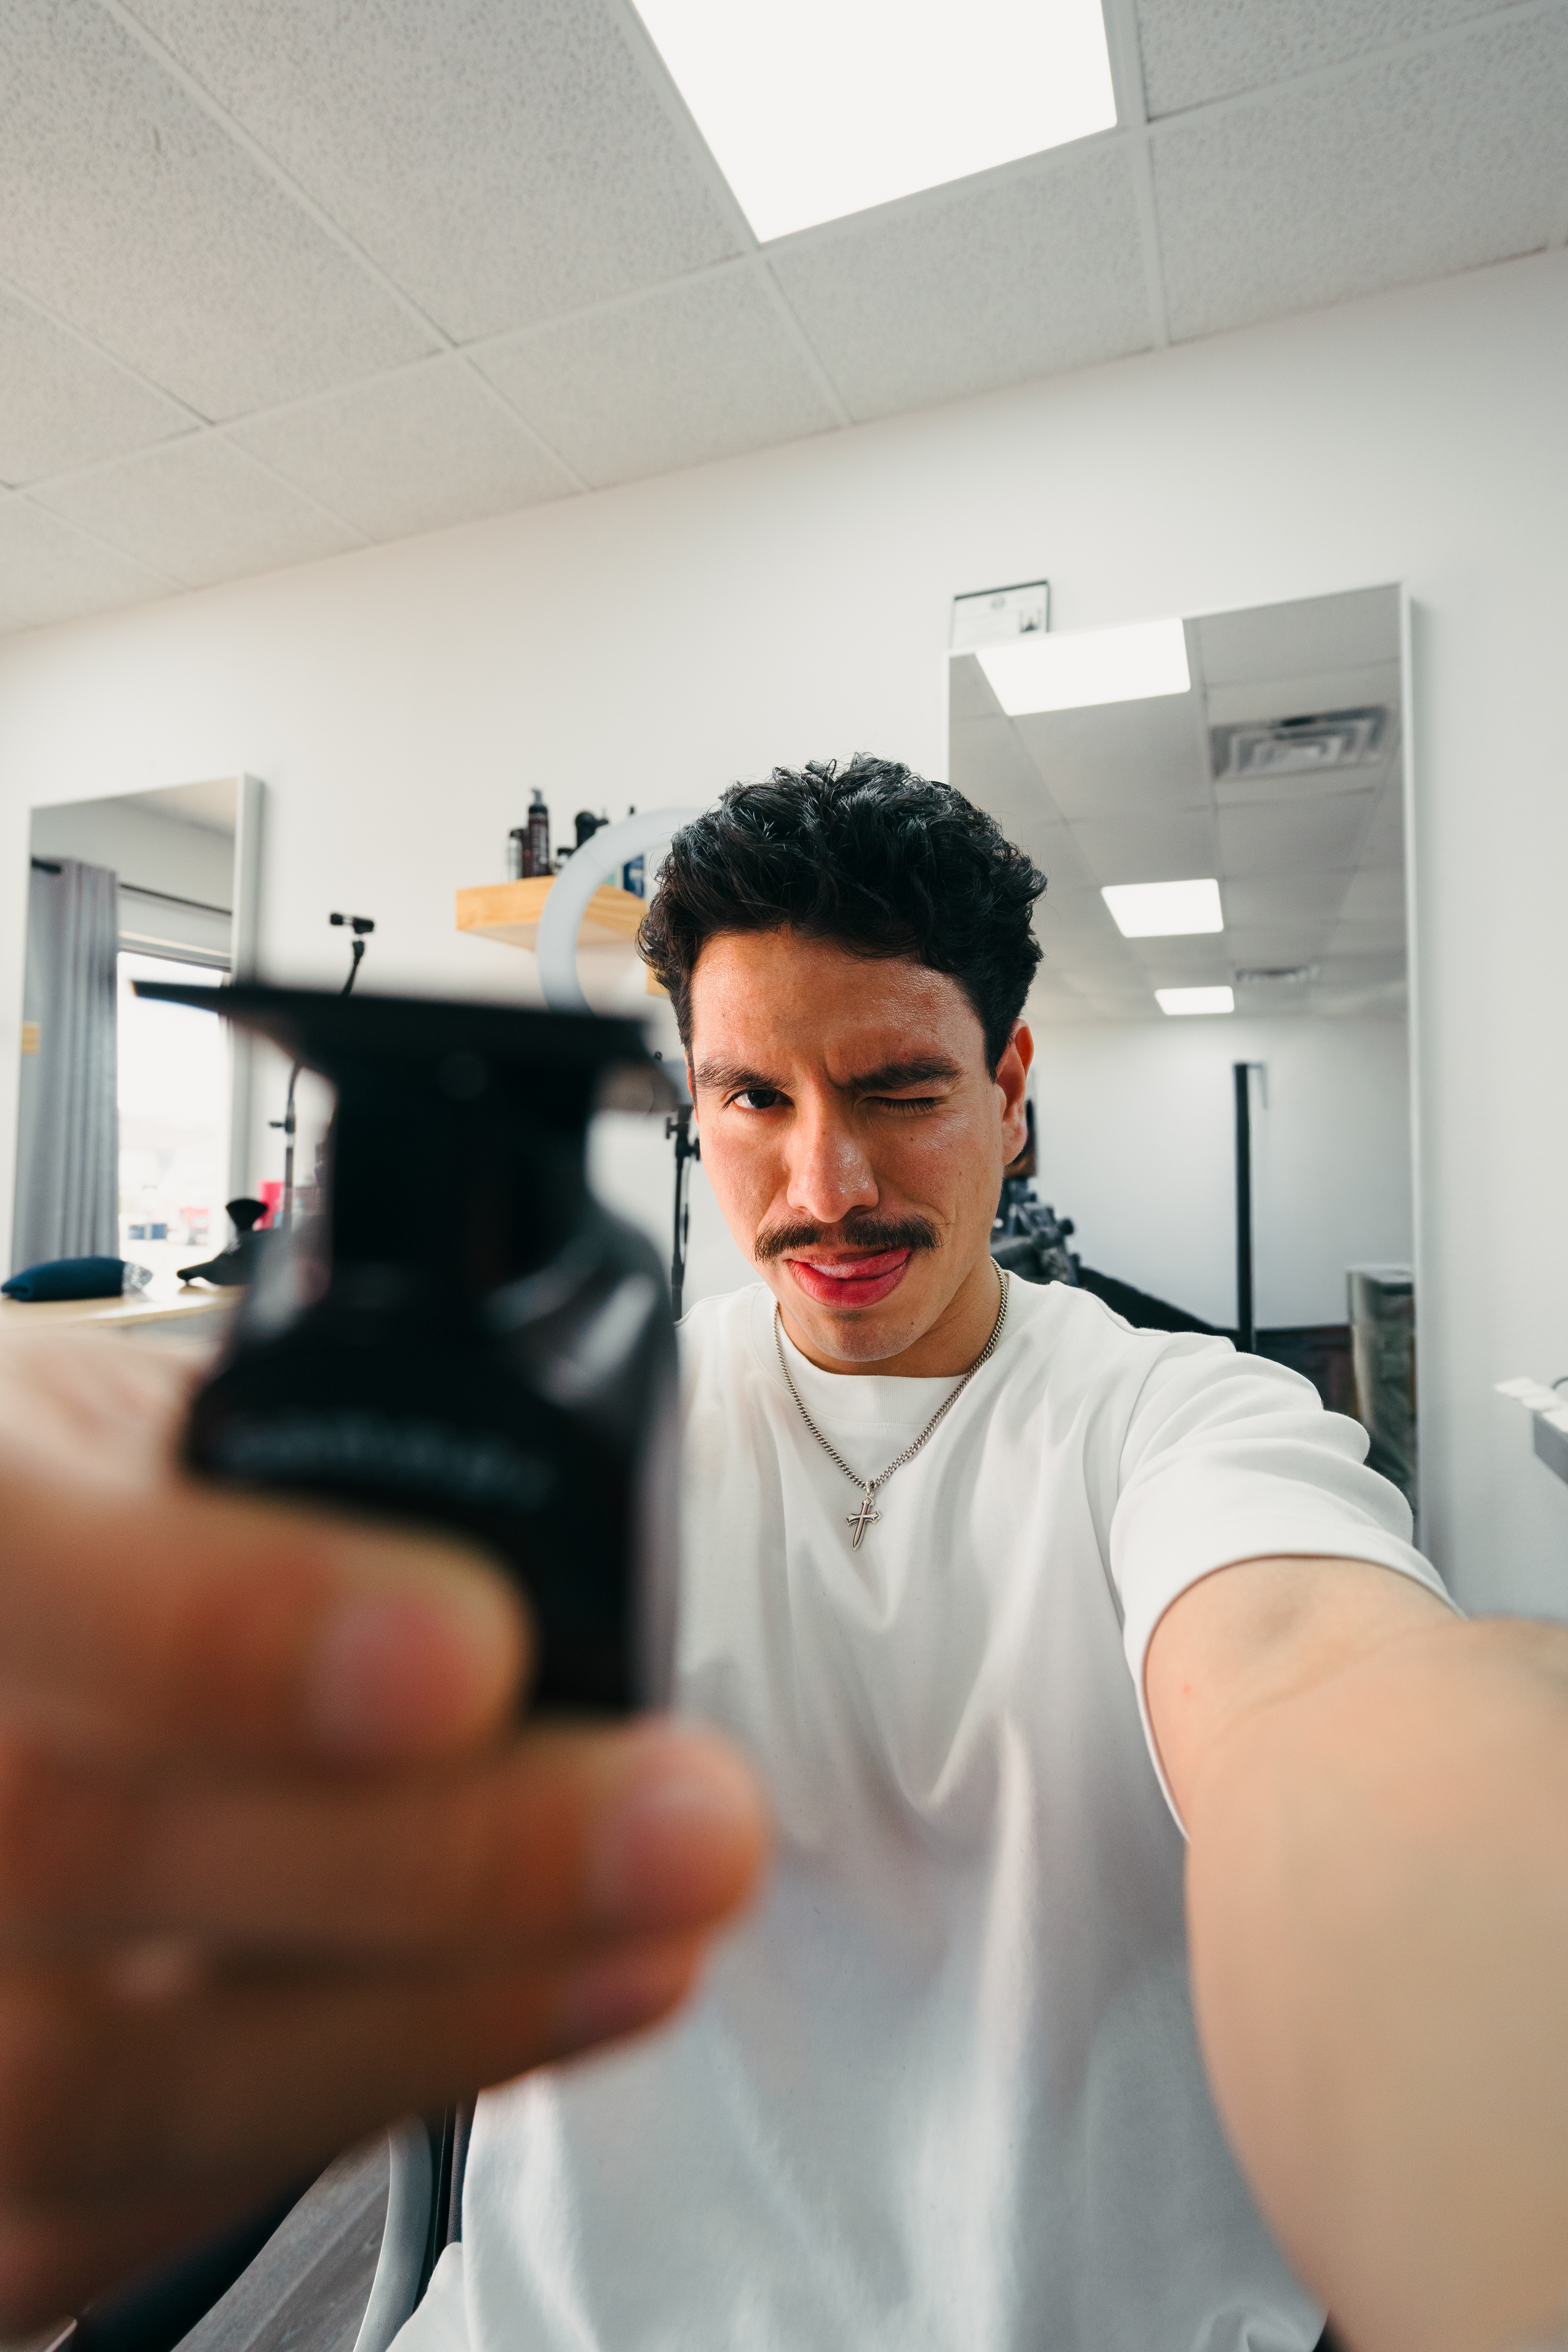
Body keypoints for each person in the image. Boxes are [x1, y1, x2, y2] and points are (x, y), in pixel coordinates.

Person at [0, 759, 1562, 2352]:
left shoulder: (1184, 1419)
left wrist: (1458, 1897)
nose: (830, 1189)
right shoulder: (590, 1442)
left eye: (899, 1092)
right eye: (754, 1099)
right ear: (694, 1099)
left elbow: (1310, 1680)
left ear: (1010, 1088)